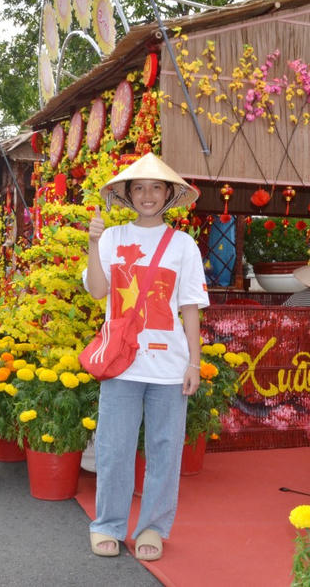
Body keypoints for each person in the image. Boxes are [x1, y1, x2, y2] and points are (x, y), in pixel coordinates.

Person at [84, 153, 208, 562]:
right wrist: (93, 243)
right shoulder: (113, 237)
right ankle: (108, 525)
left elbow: (189, 307)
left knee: (165, 450)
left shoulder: (184, 245)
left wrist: (194, 362)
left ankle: (153, 526)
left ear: (169, 194)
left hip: (169, 366)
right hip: (122, 364)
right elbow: (98, 292)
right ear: (128, 194)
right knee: (114, 449)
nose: (148, 195)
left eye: (156, 187)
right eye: (139, 188)